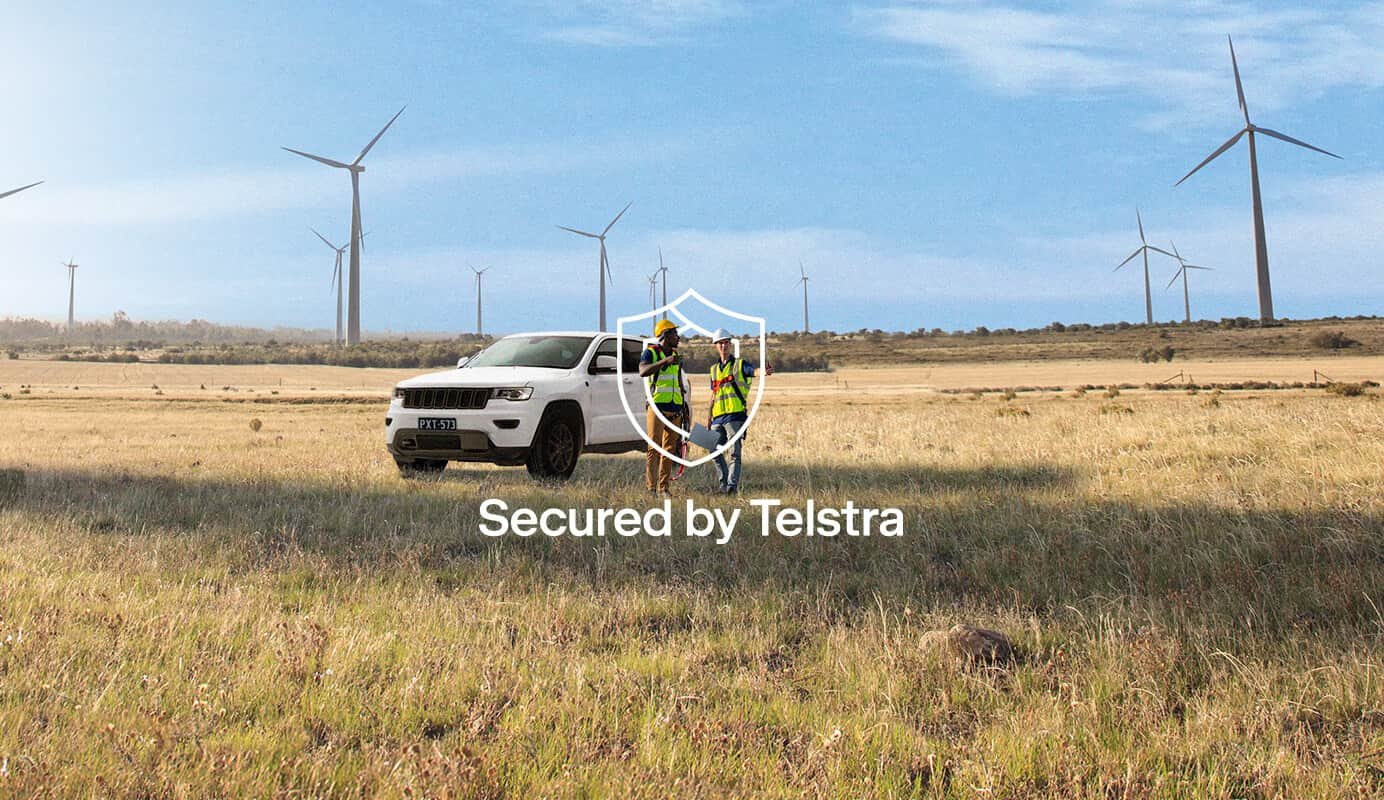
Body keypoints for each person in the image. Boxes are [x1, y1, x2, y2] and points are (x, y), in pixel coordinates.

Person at [707, 329, 772, 494]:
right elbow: (713, 394)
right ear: (715, 346)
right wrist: (709, 416)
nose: (723, 346)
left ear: (730, 344)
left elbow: (754, 372)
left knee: (734, 453)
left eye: (726, 342)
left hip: (735, 416)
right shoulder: (713, 369)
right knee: (711, 447)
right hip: (717, 417)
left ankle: (731, 487)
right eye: (720, 343)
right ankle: (724, 482)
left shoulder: (740, 364)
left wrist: (763, 372)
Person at [639, 319, 689, 497]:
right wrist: (665, 362)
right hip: (657, 406)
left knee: (669, 450)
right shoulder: (650, 353)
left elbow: (678, 382)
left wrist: (683, 408)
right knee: (654, 448)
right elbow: (643, 371)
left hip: (675, 408)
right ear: (665, 335)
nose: (678, 337)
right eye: (675, 334)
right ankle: (651, 489)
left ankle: (664, 488)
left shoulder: (676, 356)